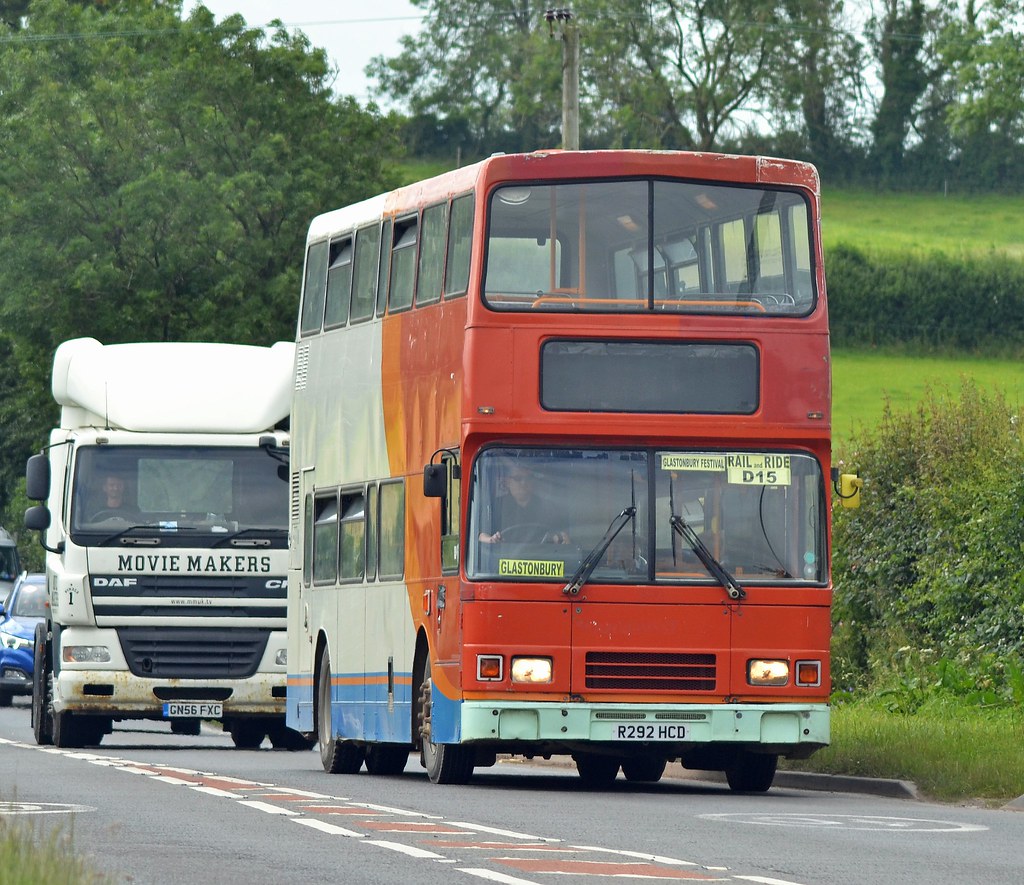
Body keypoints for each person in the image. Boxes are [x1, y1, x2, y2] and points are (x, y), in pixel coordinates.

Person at [479, 463, 570, 544]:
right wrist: (491, 539)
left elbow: (563, 537)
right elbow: (481, 535)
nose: (524, 482)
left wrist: (560, 539)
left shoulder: (548, 508)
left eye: (528, 478)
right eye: (518, 478)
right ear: (507, 481)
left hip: (541, 558)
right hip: (503, 559)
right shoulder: (496, 506)